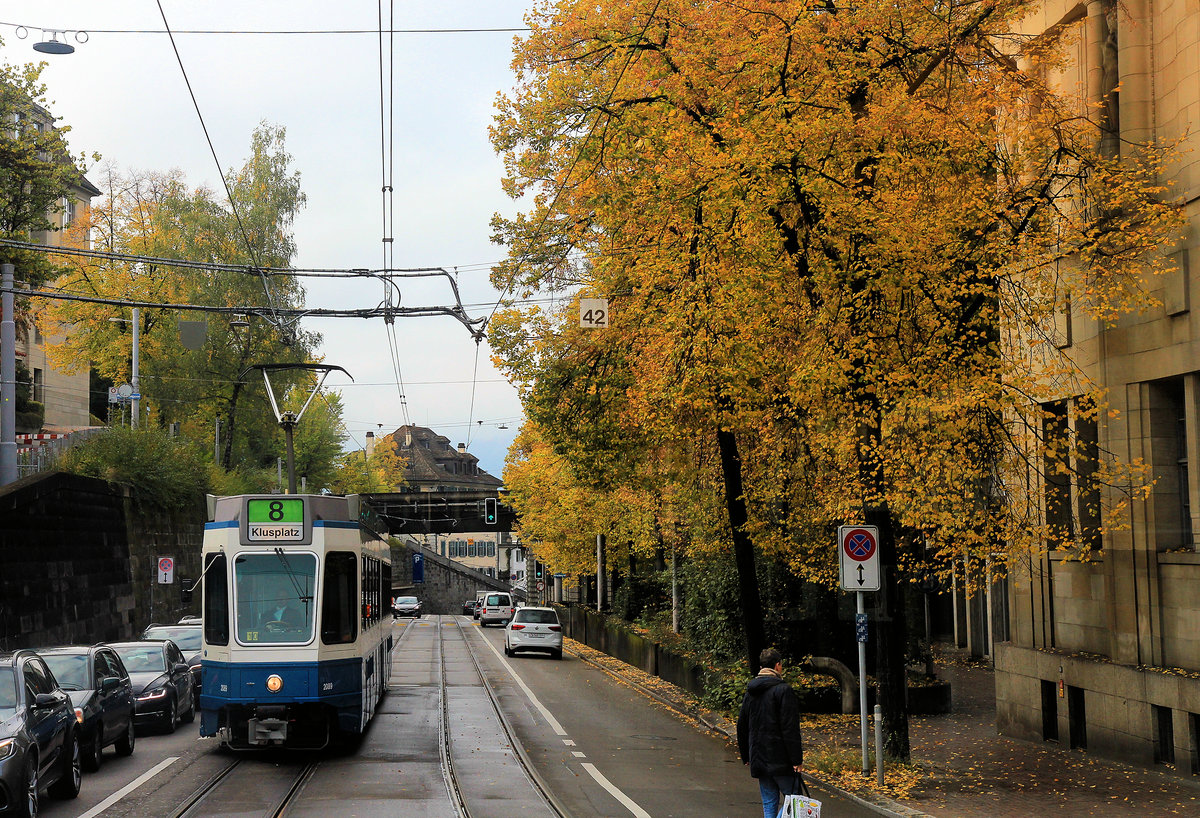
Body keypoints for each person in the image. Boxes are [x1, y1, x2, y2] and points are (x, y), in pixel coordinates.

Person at [738, 647, 804, 818]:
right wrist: (796, 759)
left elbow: (742, 725)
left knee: (769, 803)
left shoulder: (751, 691)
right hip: (781, 759)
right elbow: (790, 728)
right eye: (781, 664)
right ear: (777, 666)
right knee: (794, 799)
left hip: (759, 757)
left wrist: (746, 755)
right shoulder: (783, 690)